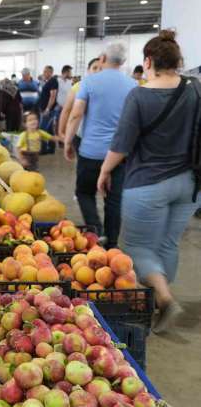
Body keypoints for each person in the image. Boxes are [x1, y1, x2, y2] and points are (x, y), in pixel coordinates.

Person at [97, 31, 200, 333]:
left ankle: (165, 300)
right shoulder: (195, 91)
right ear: (177, 61)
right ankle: (157, 298)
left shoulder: (140, 95)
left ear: (148, 61)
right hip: (190, 183)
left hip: (148, 185)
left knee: (139, 247)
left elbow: (121, 144)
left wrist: (104, 172)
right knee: (167, 242)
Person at [64, 42, 137, 248]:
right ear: (122, 62)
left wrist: (68, 141)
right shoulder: (132, 86)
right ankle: (112, 243)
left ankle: (95, 231)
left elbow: (76, 114)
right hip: (119, 154)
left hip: (90, 152)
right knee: (114, 199)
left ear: (103, 58)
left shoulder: (90, 82)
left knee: (84, 192)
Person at [57, 58, 101, 147]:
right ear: (88, 70)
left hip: (103, 137)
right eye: (95, 68)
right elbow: (67, 110)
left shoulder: (110, 88)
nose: (98, 71)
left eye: (101, 69)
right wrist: (61, 131)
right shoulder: (78, 87)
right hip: (81, 135)